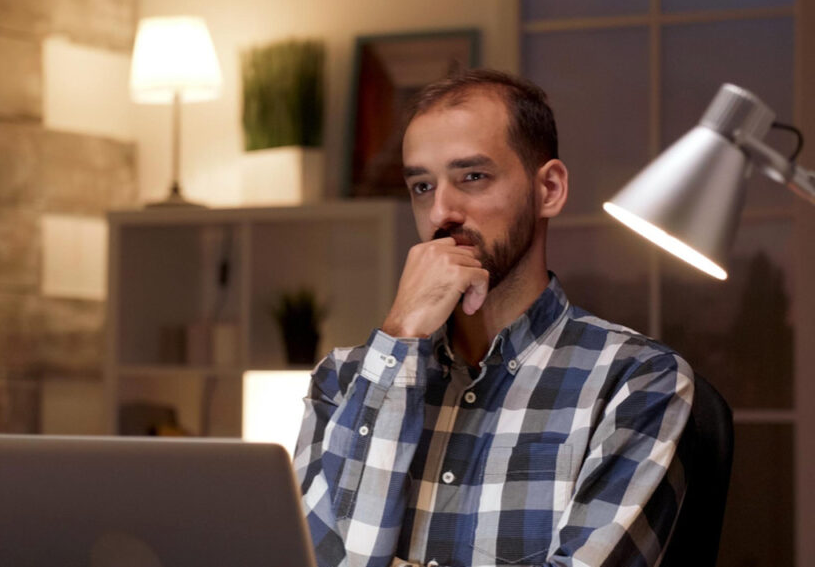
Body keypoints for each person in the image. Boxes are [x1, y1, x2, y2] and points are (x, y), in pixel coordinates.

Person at [293, 69, 694, 567]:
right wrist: (401, 336)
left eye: (473, 177)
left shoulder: (636, 380)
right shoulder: (343, 381)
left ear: (548, 188)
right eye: (421, 186)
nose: (442, 212)